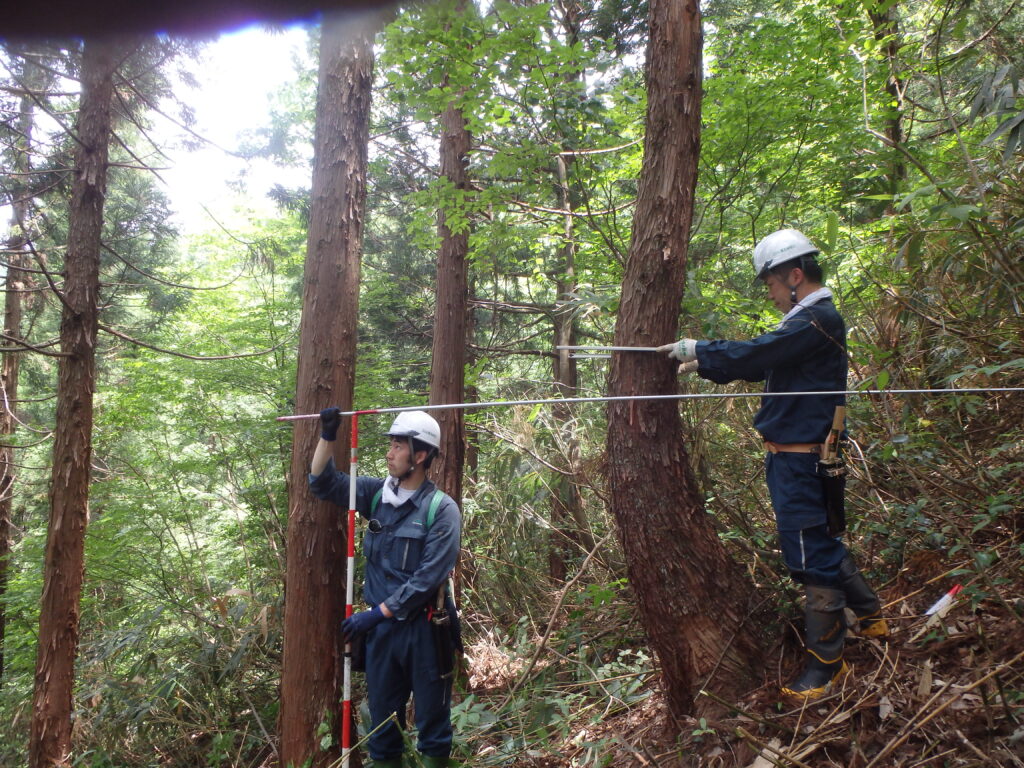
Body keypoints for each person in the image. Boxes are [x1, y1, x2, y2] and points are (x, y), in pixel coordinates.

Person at [658, 228, 887, 702]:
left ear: (795, 276)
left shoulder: (816, 319)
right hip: (800, 458)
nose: (771, 293)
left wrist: (702, 348)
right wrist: (707, 365)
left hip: (802, 461)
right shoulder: (806, 323)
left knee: (810, 553)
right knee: (819, 541)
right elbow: (766, 363)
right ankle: (870, 617)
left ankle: (827, 665)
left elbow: (764, 352)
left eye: (771, 284)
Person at [309, 407, 461, 768]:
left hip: (426, 630)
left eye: (398, 445)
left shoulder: (441, 510)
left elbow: (427, 578)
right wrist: (328, 435)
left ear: (420, 455)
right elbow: (322, 483)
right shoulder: (376, 494)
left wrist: (377, 613)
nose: (389, 452)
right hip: (380, 635)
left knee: (433, 727)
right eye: (389, 444)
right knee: (381, 728)